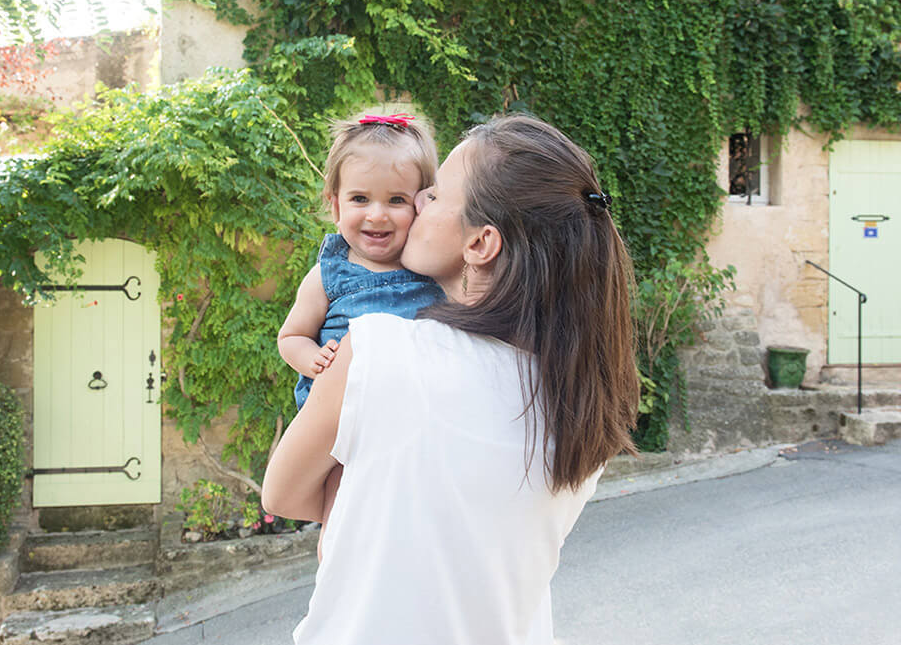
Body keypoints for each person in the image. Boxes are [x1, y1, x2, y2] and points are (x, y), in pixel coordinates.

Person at [262, 115, 640, 645]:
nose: (416, 204)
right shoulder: (580, 401)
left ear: (481, 243)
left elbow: (280, 493)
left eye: (433, 196)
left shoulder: (379, 353)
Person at [277, 111, 444, 411]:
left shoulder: (431, 268)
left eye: (396, 200)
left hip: (412, 415)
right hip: (338, 418)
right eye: (360, 199)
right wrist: (312, 359)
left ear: (422, 204)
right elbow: (291, 336)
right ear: (335, 204)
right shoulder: (329, 275)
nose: (377, 215)